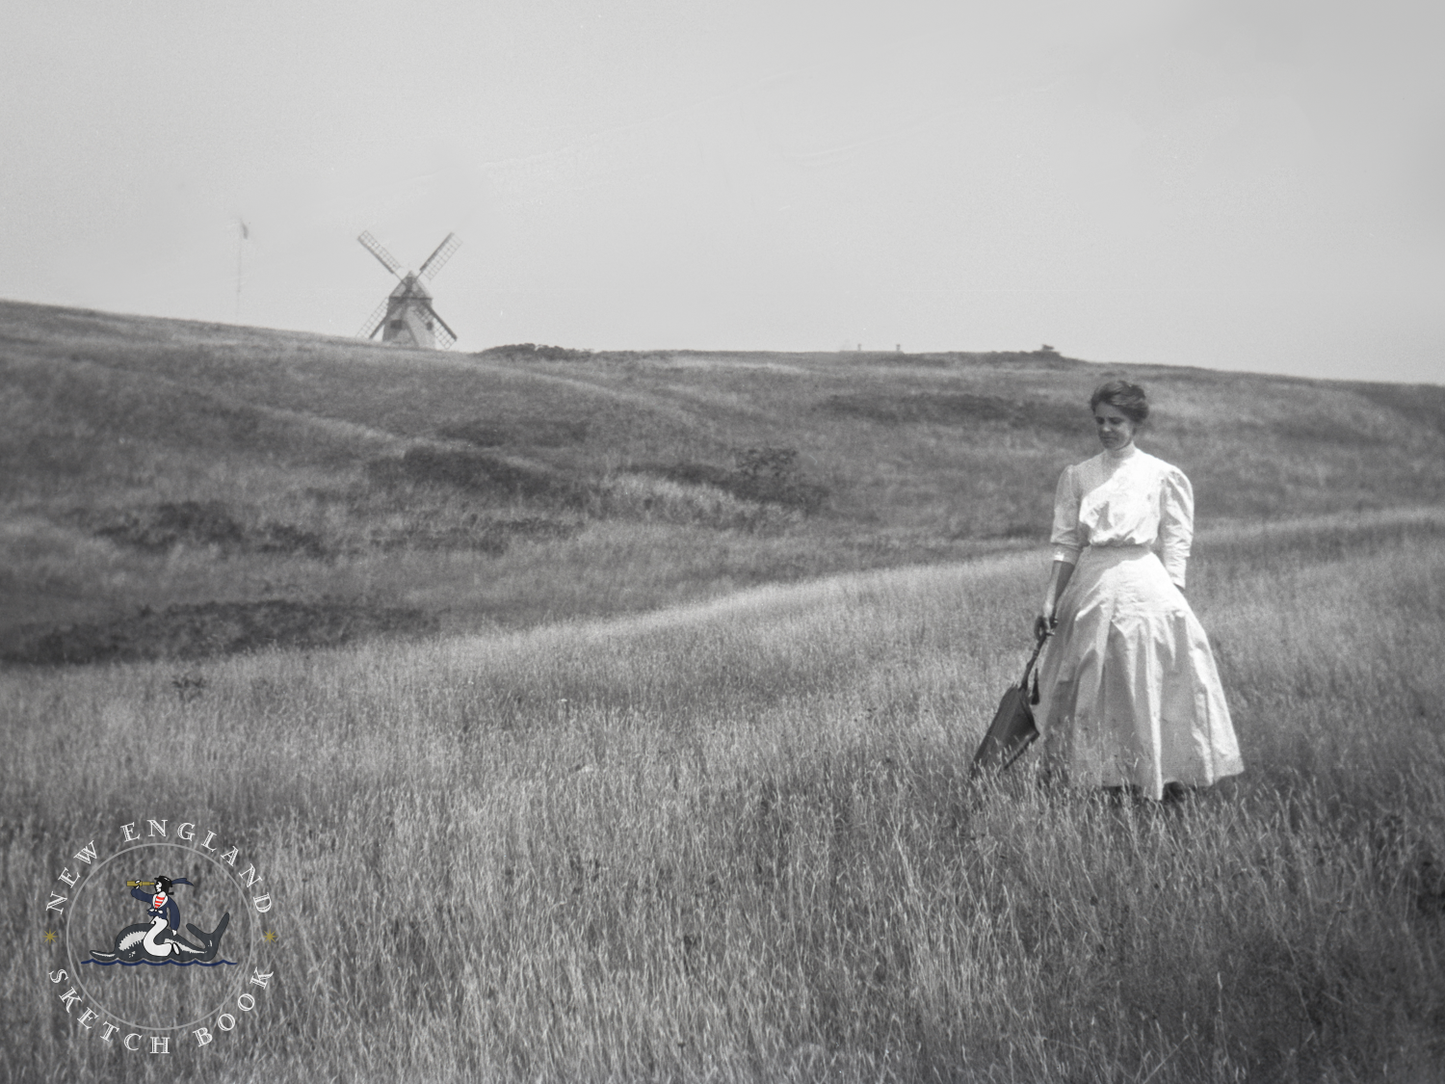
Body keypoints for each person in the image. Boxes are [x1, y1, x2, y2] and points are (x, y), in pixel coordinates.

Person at [1032, 380, 1243, 800]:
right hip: (1092, 584)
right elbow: (1067, 542)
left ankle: (1160, 776)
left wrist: (1174, 592)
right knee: (1089, 676)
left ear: (1135, 423)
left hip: (1146, 584)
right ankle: (1092, 777)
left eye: (1117, 421)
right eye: (1100, 421)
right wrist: (1051, 598)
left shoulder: (1162, 475)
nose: (1107, 429)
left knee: (1147, 674)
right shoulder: (1080, 475)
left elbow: (1177, 540)